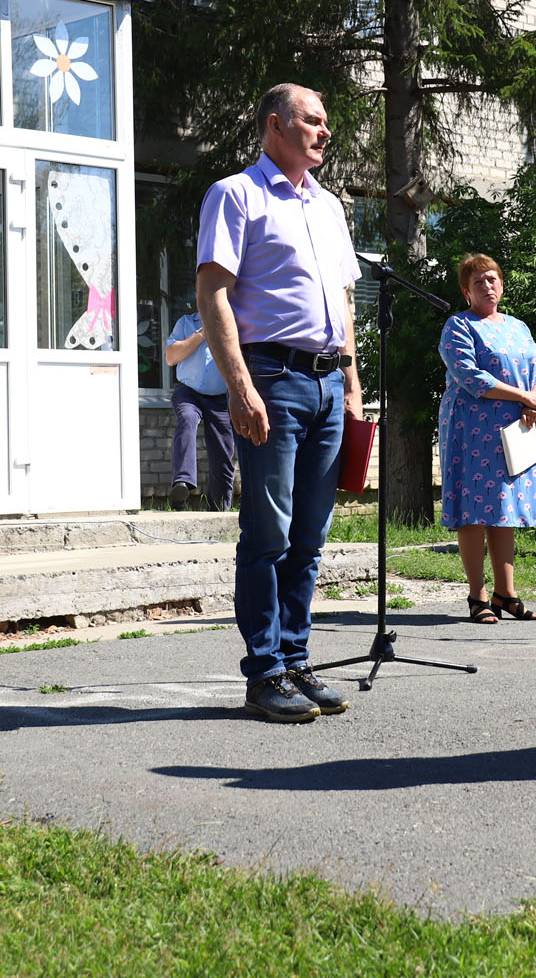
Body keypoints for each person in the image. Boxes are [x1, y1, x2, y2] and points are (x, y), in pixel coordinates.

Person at [197, 83, 364, 723]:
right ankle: (263, 671)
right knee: (267, 531)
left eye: (327, 122)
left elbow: (344, 303)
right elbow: (214, 294)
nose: (326, 132)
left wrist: (351, 385)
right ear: (275, 126)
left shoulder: (328, 207)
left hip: (326, 383)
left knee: (310, 537)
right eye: (313, 121)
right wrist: (240, 385)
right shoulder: (236, 195)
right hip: (272, 377)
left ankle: (296, 661)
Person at [437, 253, 536, 624]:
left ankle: (506, 594)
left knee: (505, 510)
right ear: (466, 292)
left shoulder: (518, 327)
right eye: (478, 282)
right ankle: (477, 596)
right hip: (471, 432)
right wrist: (524, 397)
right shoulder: (459, 325)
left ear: (501, 284)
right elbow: (470, 377)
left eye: (492, 279)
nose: (487, 286)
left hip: (515, 429)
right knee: (474, 513)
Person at [165, 310, 236, 511]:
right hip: (188, 391)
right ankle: (182, 484)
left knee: (223, 449)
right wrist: (202, 334)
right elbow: (171, 357)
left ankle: (220, 506)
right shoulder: (186, 322)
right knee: (187, 419)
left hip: (220, 397)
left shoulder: (233, 323)